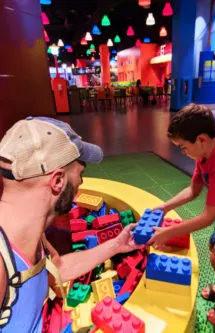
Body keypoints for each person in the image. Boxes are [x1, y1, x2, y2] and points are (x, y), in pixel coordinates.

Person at [0, 116, 142, 332]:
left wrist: (116, 245)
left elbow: (57, 268)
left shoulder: (30, 231)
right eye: (80, 172)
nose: (81, 182)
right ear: (58, 181)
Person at [148, 104, 215, 328]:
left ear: (201, 140)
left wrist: (167, 232)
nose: (181, 152)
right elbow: (193, 190)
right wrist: (164, 207)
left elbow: (206, 217)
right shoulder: (204, 158)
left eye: (183, 147)